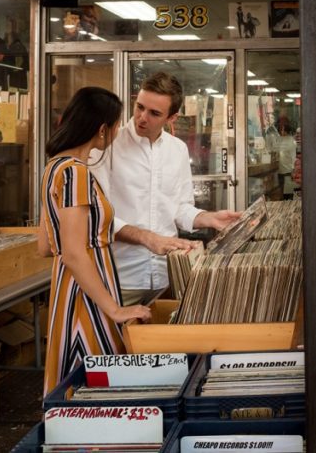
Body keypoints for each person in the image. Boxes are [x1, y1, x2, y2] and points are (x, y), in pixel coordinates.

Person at [37, 87, 152, 395]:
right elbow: (74, 252)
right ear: (102, 130)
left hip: (69, 289)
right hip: (87, 298)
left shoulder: (53, 168)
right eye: (115, 126)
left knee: (77, 389)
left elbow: (46, 246)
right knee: (94, 388)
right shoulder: (76, 174)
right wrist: (115, 310)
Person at [91, 72, 241, 304]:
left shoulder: (177, 149)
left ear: (172, 117)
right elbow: (97, 214)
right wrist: (147, 238)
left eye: (154, 113)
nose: (142, 117)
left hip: (167, 276)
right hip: (120, 277)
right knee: (117, 341)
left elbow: (179, 208)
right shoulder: (106, 146)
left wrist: (208, 218)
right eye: (139, 107)